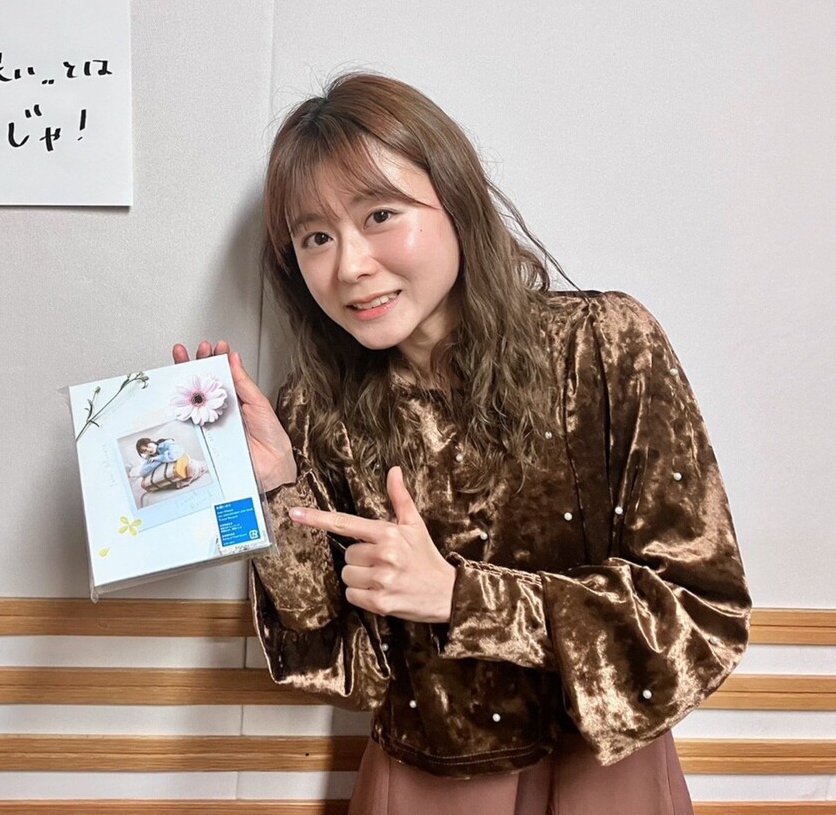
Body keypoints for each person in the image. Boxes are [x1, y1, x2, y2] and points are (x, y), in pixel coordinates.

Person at [173, 72, 751, 814]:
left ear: (457, 200)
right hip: (424, 776)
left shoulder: (605, 345)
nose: (350, 265)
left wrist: (461, 597)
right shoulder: (316, 410)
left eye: (381, 214)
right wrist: (276, 491)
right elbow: (336, 659)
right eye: (316, 237)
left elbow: (702, 611)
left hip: (605, 773)